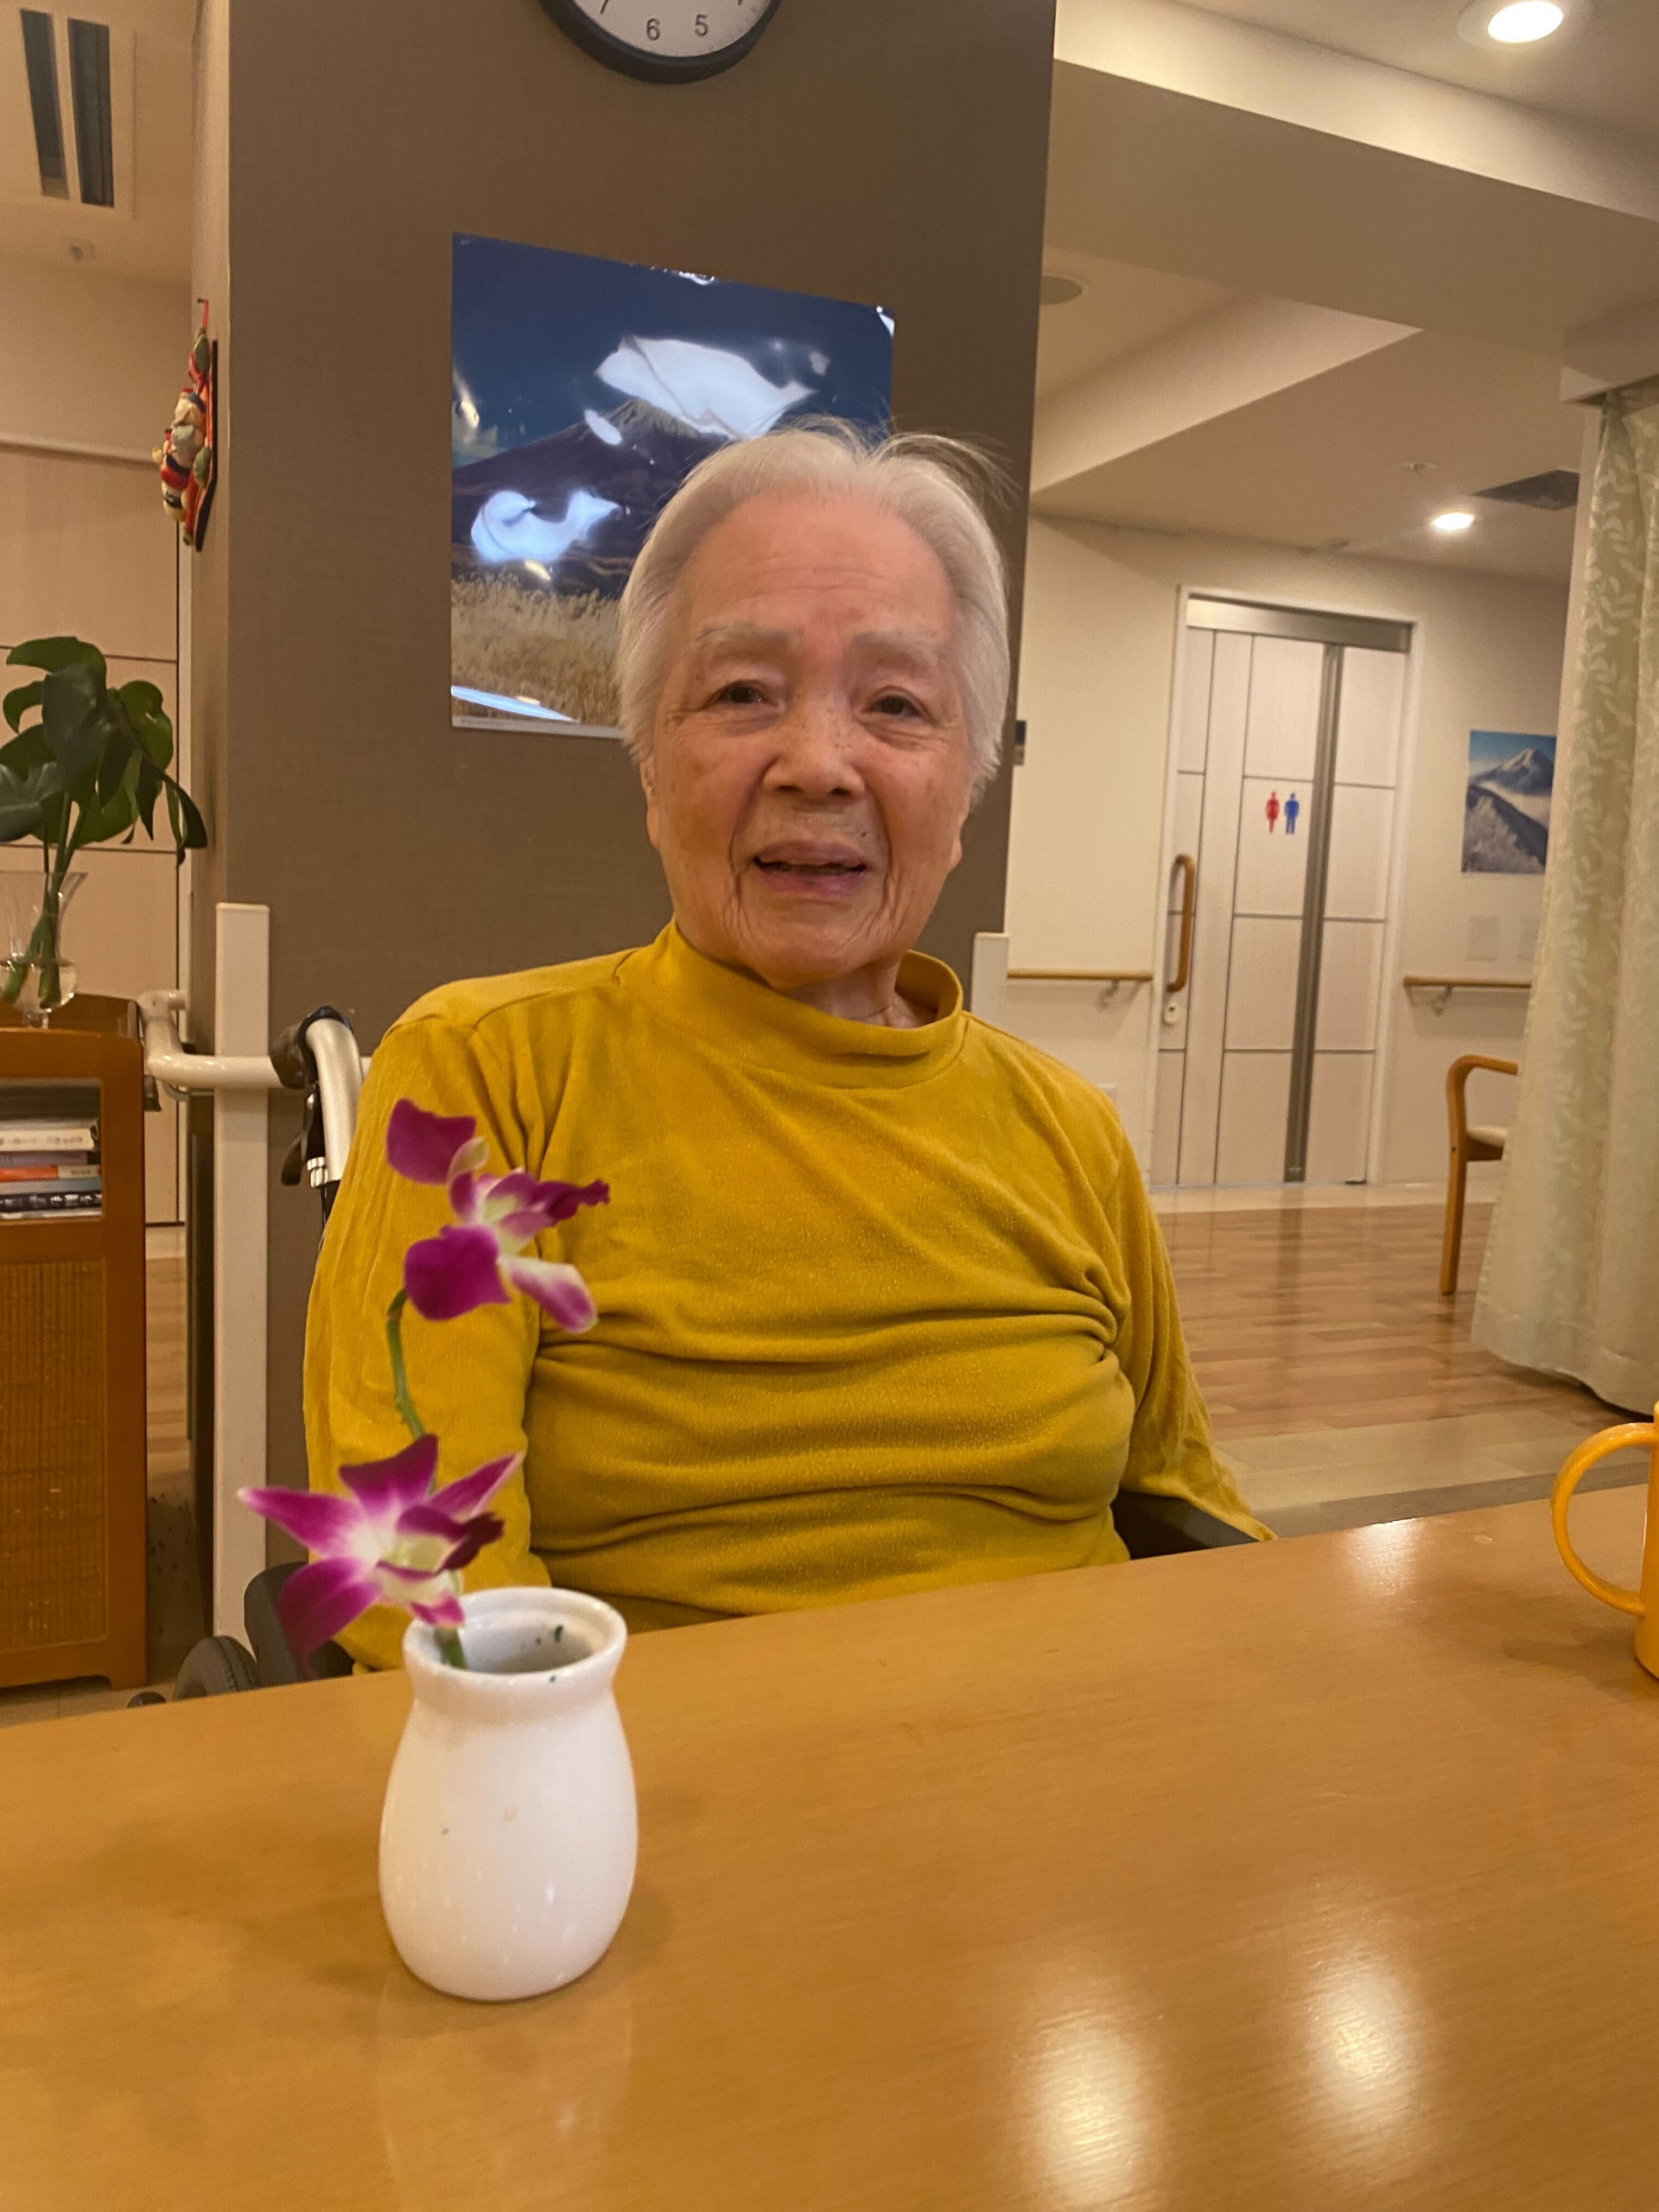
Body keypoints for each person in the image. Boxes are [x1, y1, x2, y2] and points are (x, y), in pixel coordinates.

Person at [305, 422, 1266, 1666]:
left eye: (897, 705)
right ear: (651, 774)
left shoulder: (1070, 1130)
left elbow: (1190, 1506)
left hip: (1076, 1748)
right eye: (743, 693)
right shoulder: (484, 1077)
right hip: (652, 1769)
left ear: (965, 791)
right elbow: (424, 1580)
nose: (819, 764)